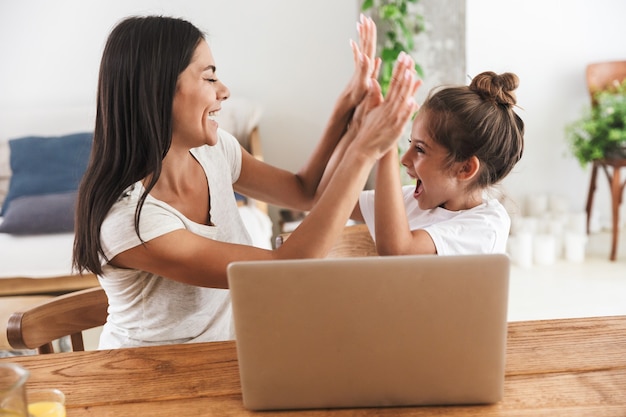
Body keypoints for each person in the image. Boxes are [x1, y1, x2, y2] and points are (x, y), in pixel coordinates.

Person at [72, 15, 419, 348]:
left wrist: (348, 109)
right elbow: (286, 270)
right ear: (158, 90)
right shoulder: (131, 220)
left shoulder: (214, 152)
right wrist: (362, 151)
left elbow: (305, 191)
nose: (224, 91)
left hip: (226, 359)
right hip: (149, 379)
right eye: (209, 79)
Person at [324, 71, 524, 256]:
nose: (404, 159)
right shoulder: (410, 201)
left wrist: (387, 146)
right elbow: (329, 198)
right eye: (411, 144)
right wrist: (353, 124)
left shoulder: (486, 226)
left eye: (420, 149)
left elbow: (398, 251)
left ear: (465, 168)